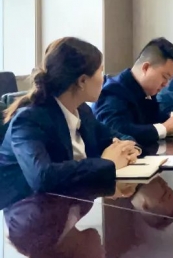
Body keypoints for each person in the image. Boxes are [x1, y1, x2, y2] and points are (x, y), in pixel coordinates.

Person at [0, 38, 139, 193]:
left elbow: (116, 136)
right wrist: (106, 162)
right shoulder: (28, 120)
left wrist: (129, 149)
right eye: (101, 71)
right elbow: (42, 177)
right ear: (82, 81)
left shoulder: (82, 111)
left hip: (73, 200)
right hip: (28, 205)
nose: (104, 78)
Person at [93, 38, 173, 146]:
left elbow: (154, 118)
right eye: (165, 77)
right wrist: (164, 128)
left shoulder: (144, 91)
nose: (165, 84)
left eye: (169, 79)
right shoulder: (113, 91)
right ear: (146, 68)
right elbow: (117, 130)